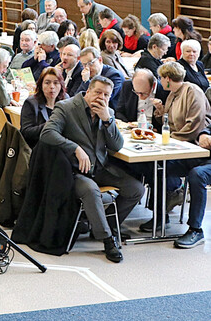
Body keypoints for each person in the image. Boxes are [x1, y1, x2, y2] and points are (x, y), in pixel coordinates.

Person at [39, 76, 144, 262]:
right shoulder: (67, 107)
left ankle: (106, 226)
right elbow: (47, 133)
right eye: (97, 92)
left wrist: (108, 120)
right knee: (91, 190)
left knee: (136, 189)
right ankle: (107, 240)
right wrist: (75, 148)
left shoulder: (108, 112)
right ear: (88, 91)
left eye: (106, 95)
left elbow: (117, 146)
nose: (101, 98)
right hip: (75, 171)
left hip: (101, 168)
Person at [142, 61, 211, 233]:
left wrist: (170, 139)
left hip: (194, 148)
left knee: (195, 174)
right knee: (156, 166)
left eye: (161, 77)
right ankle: (160, 215)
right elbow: (169, 122)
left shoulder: (192, 91)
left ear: (167, 78)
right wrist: (160, 111)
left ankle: (194, 228)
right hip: (179, 145)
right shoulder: (172, 94)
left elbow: (195, 125)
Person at [20, 66, 67, 148]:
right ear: (41, 85)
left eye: (56, 83)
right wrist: (51, 124)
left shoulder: (66, 100)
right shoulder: (31, 103)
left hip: (61, 147)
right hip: (38, 148)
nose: (52, 86)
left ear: (61, 85)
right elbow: (26, 133)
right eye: (47, 83)